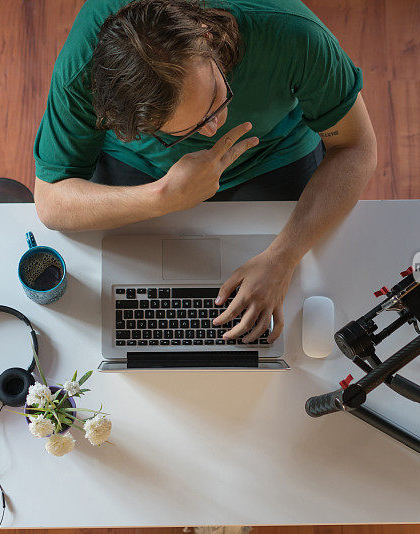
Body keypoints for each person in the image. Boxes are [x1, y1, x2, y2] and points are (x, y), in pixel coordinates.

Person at [33, 0, 377, 344]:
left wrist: (282, 257)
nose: (214, 130)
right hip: (145, 171)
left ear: (207, 35)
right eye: (183, 130)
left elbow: (355, 148)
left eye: (216, 96)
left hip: (271, 154)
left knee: (309, 282)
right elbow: (51, 200)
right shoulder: (86, 68)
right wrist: (162, 197)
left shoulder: (291, 31)